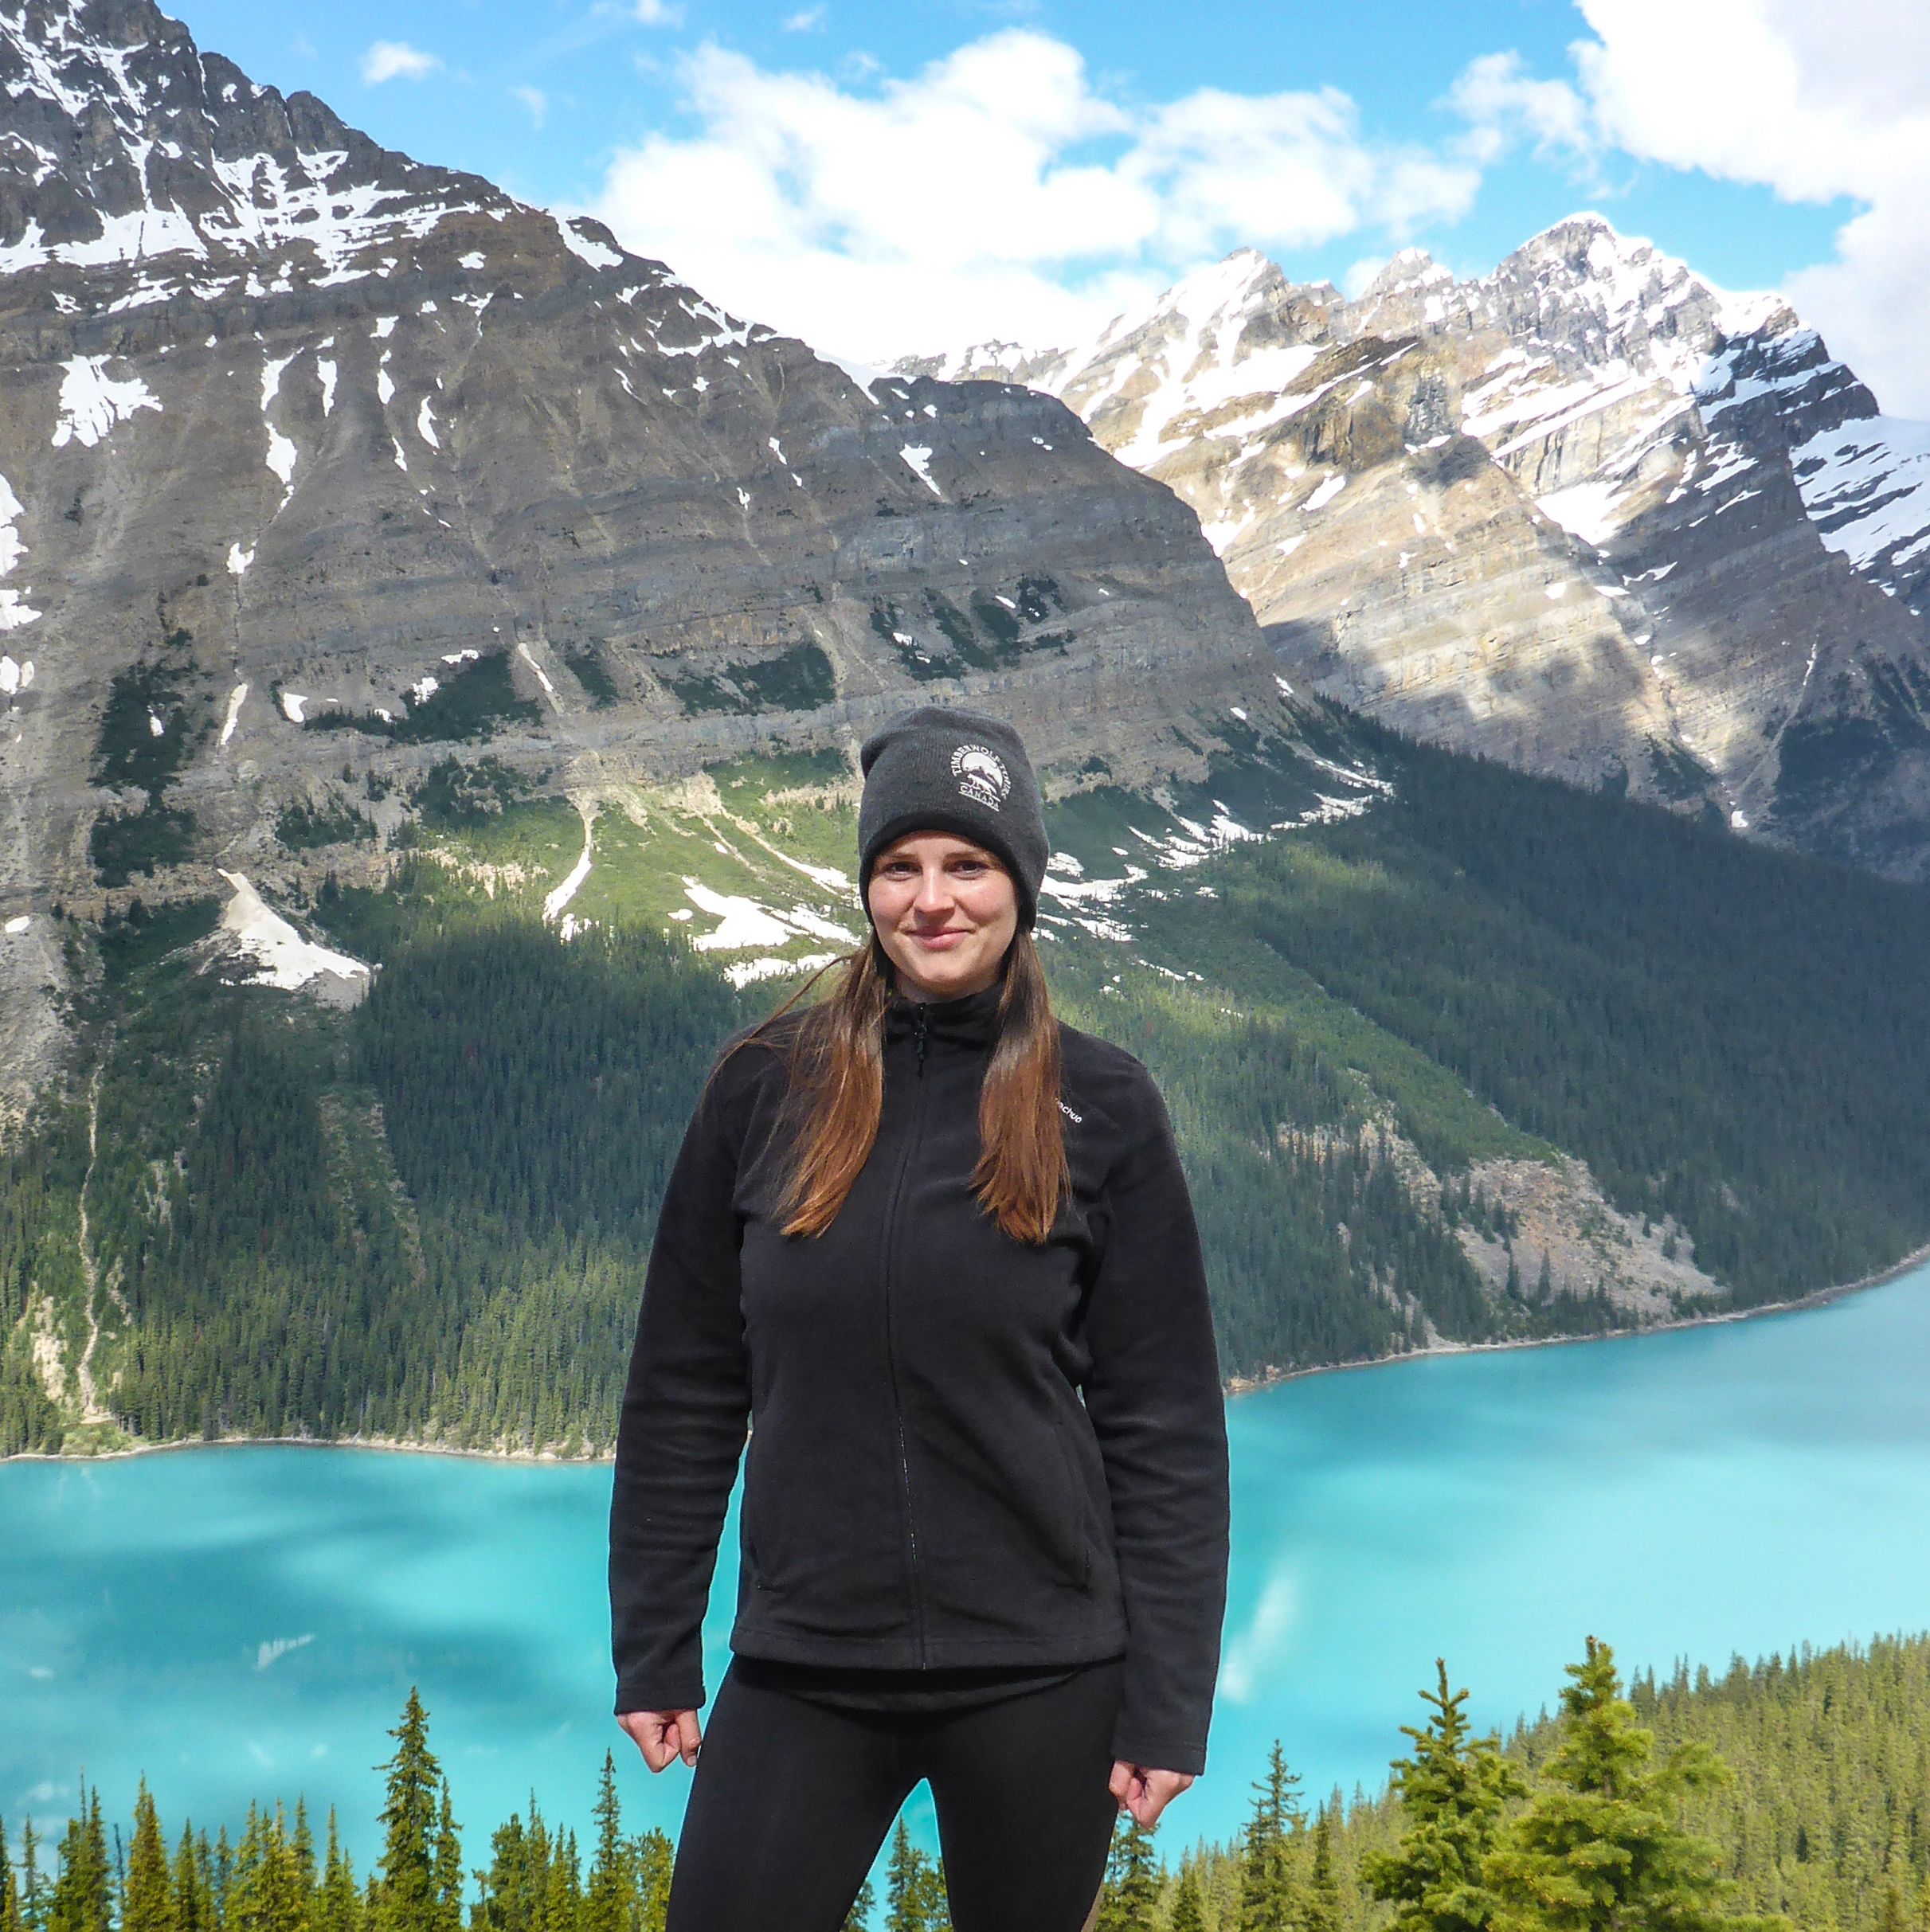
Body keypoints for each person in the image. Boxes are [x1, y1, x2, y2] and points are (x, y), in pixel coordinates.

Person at [609, 703, 1231, 1932]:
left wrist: (1171, 1699)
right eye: (901, 867)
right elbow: (685, 1383)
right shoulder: (762, 1088)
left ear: (1021, 886)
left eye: (968, 864)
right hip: (805, 1659)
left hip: (1044, 1668)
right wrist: (654, 1641)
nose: (932, 899)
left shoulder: (1102, 1103)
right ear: (868, 886)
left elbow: (1161, 1420)